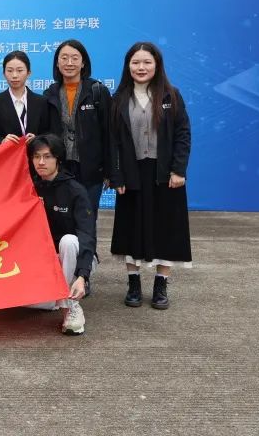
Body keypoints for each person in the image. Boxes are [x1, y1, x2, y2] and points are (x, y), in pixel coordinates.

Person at [107, 41, 192, 310]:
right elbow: (112, 142)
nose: (141, 67)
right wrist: (116, 176)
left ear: (157, 65)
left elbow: (183, 135)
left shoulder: (171, 96)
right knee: (130, 227)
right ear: (128, 66)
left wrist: (178, 170)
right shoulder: (119, 99)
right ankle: (133, 284)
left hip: (164, 174)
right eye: (135, 62)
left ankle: (160, 285)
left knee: (167, 229)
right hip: (132, 173)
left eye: (146, 62)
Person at [43, 39, 112, 240]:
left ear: (83, 63)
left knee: (87, 216)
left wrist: (110, 171)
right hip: (61, 168)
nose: (69, 63)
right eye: (64, 58)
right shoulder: (50, 93)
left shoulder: (97, 91)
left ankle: (87, 257)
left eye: (75, 58)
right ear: (57, 63)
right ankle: (65, 257)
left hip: (91, 169)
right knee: (61, 217)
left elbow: (109, 133)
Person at [28, 134, 94, 335]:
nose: (41, 162)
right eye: (36, 156)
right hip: (45, 261)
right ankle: (54, 299)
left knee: (69, 241)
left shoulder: (75, 190)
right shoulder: (29, 188)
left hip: (74, 258)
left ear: (58, 159)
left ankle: (70, 307)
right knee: (21, 302)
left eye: (47, 156)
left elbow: (87, 236)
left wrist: (83, 276)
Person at [0, 51, 50, 148]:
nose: (14, 75)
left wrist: (37, 139)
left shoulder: (41, 101)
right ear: (4, 74)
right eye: (10, 71)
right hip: (7, 155)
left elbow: (48, 132)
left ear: (28, 73)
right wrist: (2, 141)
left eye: (19, 70)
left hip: (34, 155)